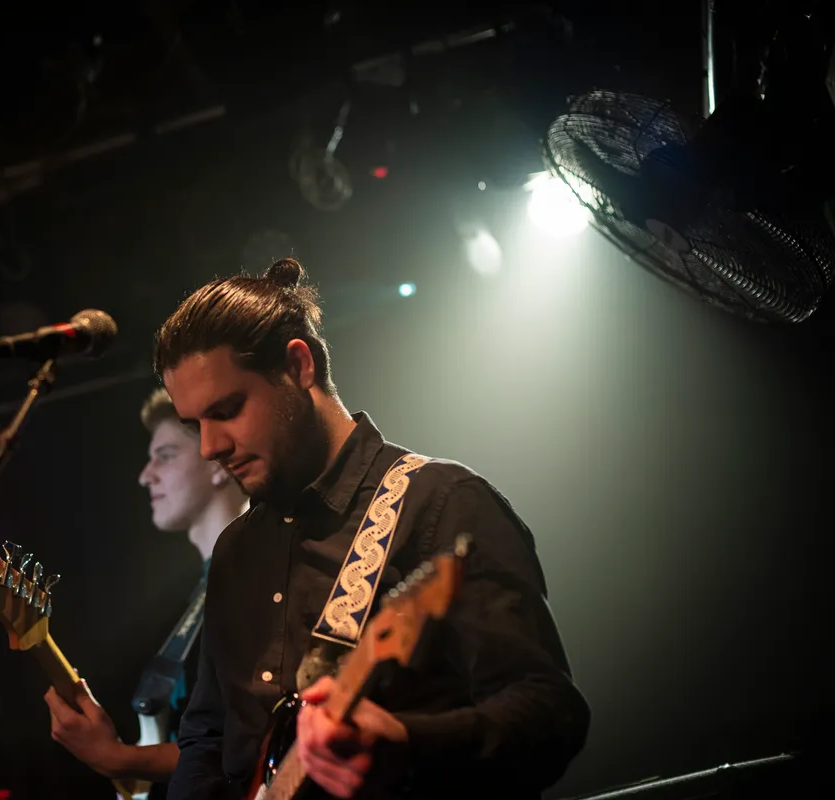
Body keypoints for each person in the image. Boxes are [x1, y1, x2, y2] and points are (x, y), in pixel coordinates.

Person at [153, 257, 591, 800]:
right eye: (195, 424)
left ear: (299, 366)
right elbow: (208, 737)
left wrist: (408, 744)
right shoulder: (236, 549)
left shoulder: (443, 504)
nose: (209, 447)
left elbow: (550, 711)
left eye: (227, 410)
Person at [43, 387, 249, 797]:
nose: (145, 475)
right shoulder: (203, 590)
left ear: (216, 462)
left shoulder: (254, 573)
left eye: (166, 456)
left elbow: (244, 741)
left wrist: (116, 758)